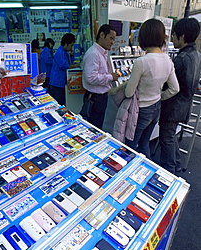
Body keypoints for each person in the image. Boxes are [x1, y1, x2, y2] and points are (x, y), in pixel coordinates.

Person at [123, 18, 180, 159]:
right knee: (144, 145)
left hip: (140, 110)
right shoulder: (168, 60)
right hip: (156, 108)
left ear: (143, 37)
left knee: (130, 146)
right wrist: (160, 96)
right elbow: (175, 88)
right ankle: (144, 174)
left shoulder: (141, 62)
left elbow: (129, 92)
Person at [159, 17, 201, 173]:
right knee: (170, 136)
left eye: (174, 34)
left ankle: (169, 169)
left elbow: (169, 84)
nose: (172, 38)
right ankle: (176, 163)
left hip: (173, 105)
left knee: (166, 137)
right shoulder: (196, 54)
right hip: (184, 105)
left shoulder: (182, 59)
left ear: (182, 36)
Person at [81, 24, 119, 129]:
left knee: (97, 126)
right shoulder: (94, 54)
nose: (112, 42)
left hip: (100, 97)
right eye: (111, 38)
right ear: (102, 35)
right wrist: (110, 77)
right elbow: (91, 78)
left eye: (114, 39)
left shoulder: (101, 53)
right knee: (94, 128)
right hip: (95, 98)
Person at [49, 33, 79, 105]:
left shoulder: (65, 52)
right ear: (66, 44)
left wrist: (71, 55)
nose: (71, 48)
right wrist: (75, 65)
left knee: (62, 102)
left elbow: (69, 62)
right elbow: (64, 66)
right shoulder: (60, 52)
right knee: (58, 104)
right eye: (71, 45)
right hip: (57, 84)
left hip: (61, 83)